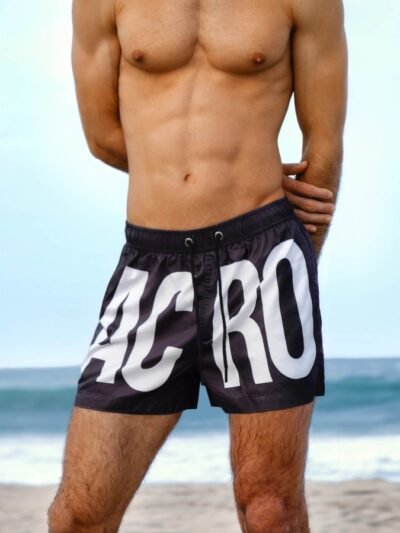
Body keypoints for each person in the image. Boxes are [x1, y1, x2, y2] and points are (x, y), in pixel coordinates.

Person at [48, 0, 347, 531]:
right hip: (151, 266)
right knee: (78, 515)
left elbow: (322, 144)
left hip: (264, 256)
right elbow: (102, 135)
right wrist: (181, 175)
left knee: (270, 511)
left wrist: (300, 264)